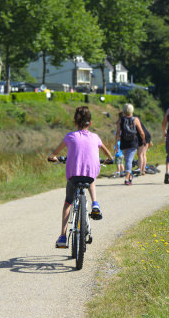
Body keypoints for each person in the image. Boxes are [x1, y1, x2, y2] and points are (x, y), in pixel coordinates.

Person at [48, 106, 113, 248]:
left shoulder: (70, 137)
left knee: (68, 203)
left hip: (73, 177)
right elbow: (109, 156)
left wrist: (53, 158)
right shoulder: (96, 137)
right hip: (89, 176)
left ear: (75, 122)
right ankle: (95, 203)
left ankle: (63, 236)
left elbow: (53, 155)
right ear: (90, 123)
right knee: (91, 178)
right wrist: (108, 160)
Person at [115, 103, 147, 185]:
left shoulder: (120, 120)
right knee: (128, 160)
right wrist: (143, 140)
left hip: (123, 143)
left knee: (128, 160)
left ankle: (128, 177)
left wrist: (116, 145)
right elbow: (141, 132)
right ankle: (128, 178)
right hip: (133, 142)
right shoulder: (135, 119)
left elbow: (118, 133)